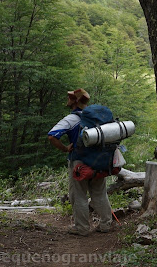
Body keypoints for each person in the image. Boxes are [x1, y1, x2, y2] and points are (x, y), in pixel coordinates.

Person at [47, 88, 113, 236]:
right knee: (100, 194)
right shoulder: (97, 118)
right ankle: (106, 225)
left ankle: (82, 228)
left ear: (75, 102)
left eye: (70, 97)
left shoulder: (71, 119)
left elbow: (52, 136)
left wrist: (65, 149)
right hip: (99, 160)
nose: (68, 99)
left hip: (79, 163)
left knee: (79, 195)